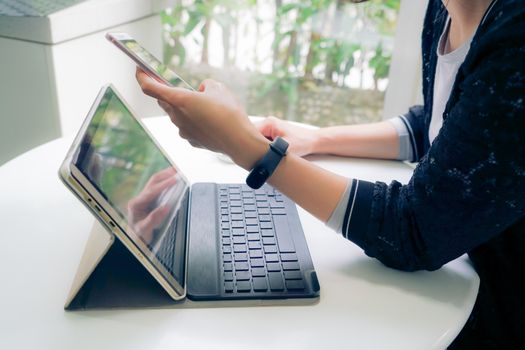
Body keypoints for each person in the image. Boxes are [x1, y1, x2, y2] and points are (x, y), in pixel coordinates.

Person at [136, 0, 525, 347]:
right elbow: (443, 126)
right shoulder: (448, 8)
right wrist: (319, 138)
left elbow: (415, 231)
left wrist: (249, 150)